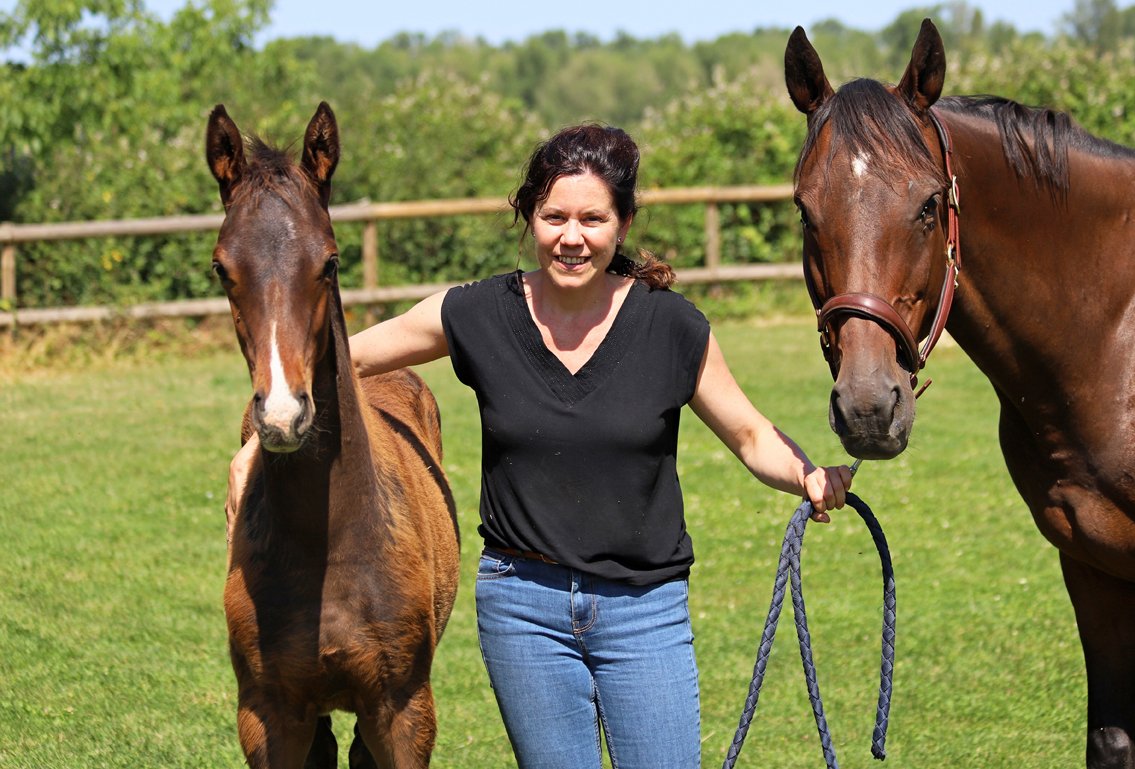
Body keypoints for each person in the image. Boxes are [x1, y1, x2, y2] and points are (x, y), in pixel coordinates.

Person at [227, 123, 852, 768]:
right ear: (530, 219)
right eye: (554, 217)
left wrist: (805, 473)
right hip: (523, 609)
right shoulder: (477, 314)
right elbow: (329, 361)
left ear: (623, 224)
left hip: (644, 610)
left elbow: (749, 434)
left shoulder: (672, 326)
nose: (571, 237)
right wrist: (258, 442)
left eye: (592, 219)